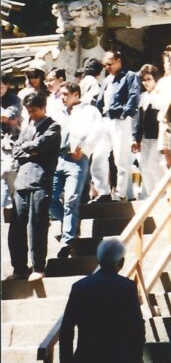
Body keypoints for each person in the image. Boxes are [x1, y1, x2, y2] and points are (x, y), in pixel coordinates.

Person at [7, 91, 61, 280]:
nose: (32, 114)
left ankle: (38, 266)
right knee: (16, 227)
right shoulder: (26, 126)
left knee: (37, 225)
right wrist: (29, 150)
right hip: (22, 181)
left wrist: (28, 148)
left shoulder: (53, 126)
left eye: (35, 110)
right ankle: (19, 267)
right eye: (29, 111)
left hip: (41, 181)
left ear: (43, 108)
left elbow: (41, 144)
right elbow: (16, 150)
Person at [51, 81, 102, 258]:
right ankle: (70, 224)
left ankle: (67, 240)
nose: (62, 98)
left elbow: (96, 132)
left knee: (71, 198)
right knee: (50, 197)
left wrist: (84, 148)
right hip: (58, 158)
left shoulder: (90, 111)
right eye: (61, 94)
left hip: (76, 158)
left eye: (66, 94)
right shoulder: (57, 112)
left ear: (76, 94)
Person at [95, 51, 141, 201]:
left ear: (118, 61)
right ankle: (103, 191)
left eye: (110, 63)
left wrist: (125, 113)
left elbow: (134, 95)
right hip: (105, 120)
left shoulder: (130, 76)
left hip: (120, 120)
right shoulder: (106, 79)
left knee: (121, 159)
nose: (107, 67)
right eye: (105, 65)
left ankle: (121, 193)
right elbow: (100, 101)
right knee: (98, 156)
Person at [131, 64, 167, 197]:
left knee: (154, 164)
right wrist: (136, 138)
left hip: (157, 136)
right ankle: (152, 194)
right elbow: (138, 120)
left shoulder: (161, 95)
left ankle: (162, 193)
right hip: (145, 137)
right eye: (144, 80)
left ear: (156, 79)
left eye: (149, 79)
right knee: (144, 167)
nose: (146, 82)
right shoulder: (142, 97)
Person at [1, 77, 23, 209]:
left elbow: (7, 117)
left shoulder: (13, 99)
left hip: (8, 144)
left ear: (7, 85)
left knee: (8, 174)